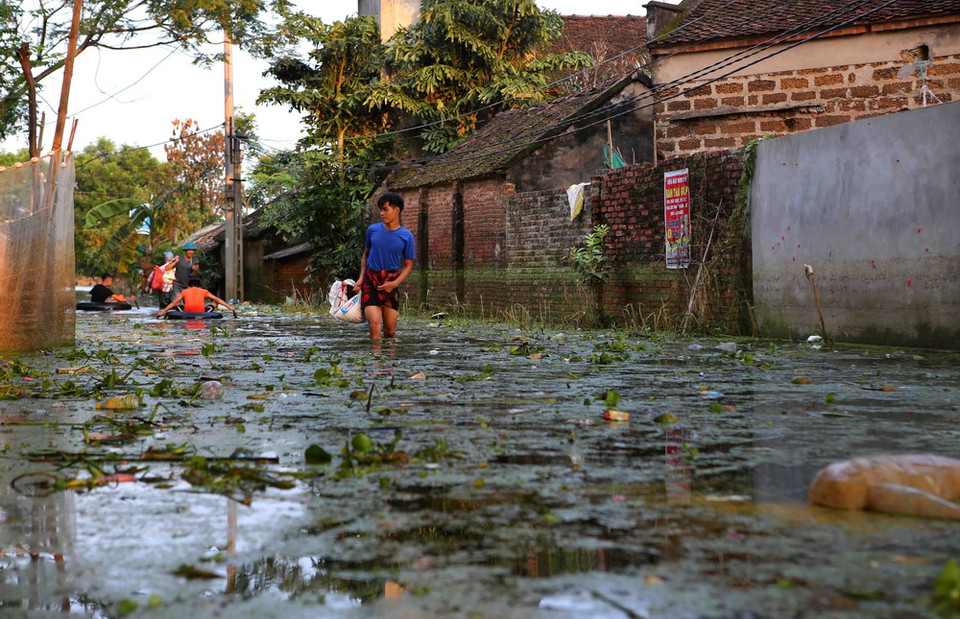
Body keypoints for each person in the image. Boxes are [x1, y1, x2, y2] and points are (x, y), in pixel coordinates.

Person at [354, 193, 416, 340]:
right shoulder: (372, 230)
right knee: (374, 326)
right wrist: (361, 278)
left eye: (385, 209)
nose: (382, 213)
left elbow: (408, 265)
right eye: (381, 210)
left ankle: (390, 355)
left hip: (391, 281)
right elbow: (365, 255)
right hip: (371, 280)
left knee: (389, 332)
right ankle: (375, 355)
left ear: (397, 210)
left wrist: (395, 283)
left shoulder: (407, 236)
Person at [156, 278, 234, 317]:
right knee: (215, 302)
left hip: (186, 312)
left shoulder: (185, 291)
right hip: (202, 312)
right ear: (200, 286)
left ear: (189, 286)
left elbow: (174, 303)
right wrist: (229, 307)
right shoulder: (204, 291)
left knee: (177, 303)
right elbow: (217, 299)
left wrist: (163, 312)